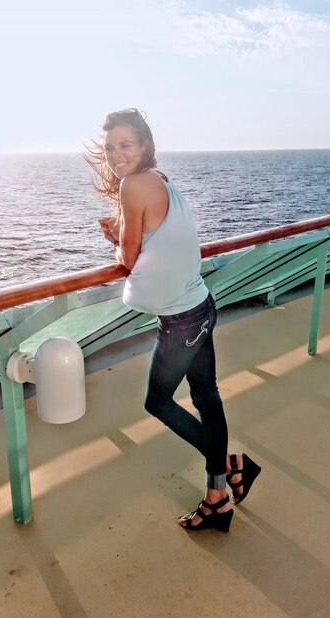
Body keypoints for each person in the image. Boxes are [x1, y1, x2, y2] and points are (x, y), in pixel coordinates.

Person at [86, 108, 261, 532]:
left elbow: (128, 260)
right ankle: (218, 498)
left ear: (144, 145)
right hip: (201, 305)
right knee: (207, 399)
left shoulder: (133, 184)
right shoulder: (161, 179)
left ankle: (233, 464)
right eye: (110, 147)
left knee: (157, 402)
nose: (115, 155)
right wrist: (125, 232)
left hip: (182, 321)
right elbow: (157, 239)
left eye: (125, 144)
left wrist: (116, 243)